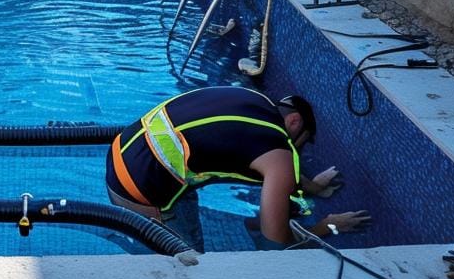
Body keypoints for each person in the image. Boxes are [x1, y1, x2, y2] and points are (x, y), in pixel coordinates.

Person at [106, 86, 370, 251]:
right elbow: (275, 244)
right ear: (294, 121)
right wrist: (329, 226)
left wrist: (314, 187)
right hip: (139, 190)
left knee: (187, 195)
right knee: (190, 265)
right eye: (303, 142)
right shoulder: (280, 153)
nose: (298, 150)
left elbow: (268, 161)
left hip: (124, 150)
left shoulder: (251, 100)